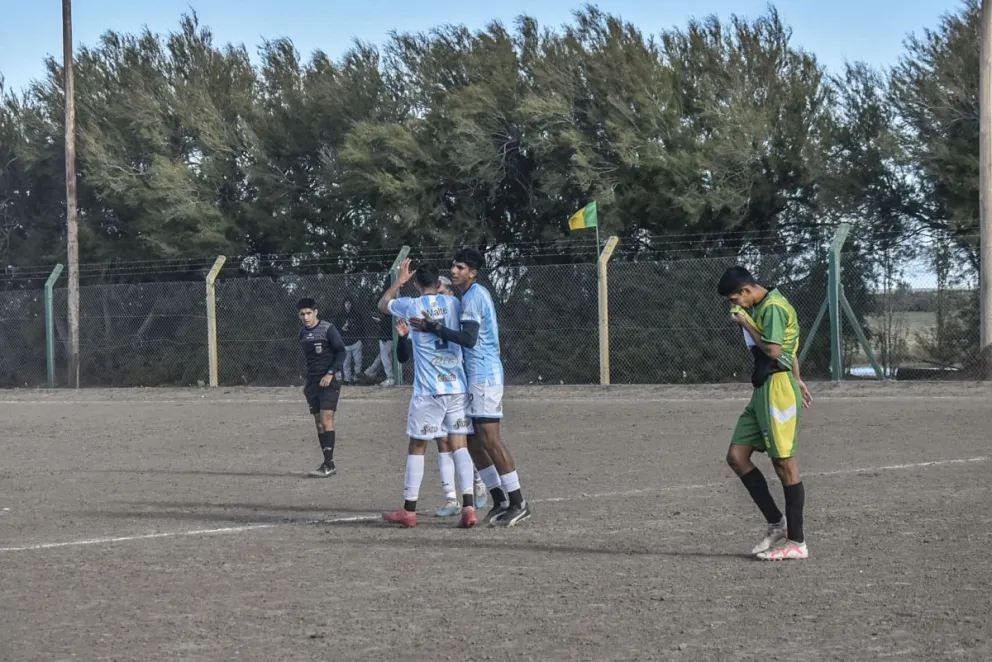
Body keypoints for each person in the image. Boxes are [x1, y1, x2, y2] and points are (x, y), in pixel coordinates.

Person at [411, 248, 531, 527]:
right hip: (473, 377)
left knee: (490, 439)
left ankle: (518, 502)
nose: (454, 271)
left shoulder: (475, 296)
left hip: (484, 377)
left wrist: (434, 327)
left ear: (473, 273)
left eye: (461, 267)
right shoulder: (468, 295)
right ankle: (499, 499)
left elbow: (469, 339)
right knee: (474, 441)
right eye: (453, 266)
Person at [717, 266, 813, 561]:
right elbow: (788, 347)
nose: (735, 305)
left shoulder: (771, 307)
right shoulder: (762, 305)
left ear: (746, 290)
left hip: (777, 390)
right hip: (764, 389)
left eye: (735, 299)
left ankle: (797, 541)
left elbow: (773, 350)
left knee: (784, 463)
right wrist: (799, 378)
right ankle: (776, 523)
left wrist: (746, 323)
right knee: (737, 456)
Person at [377, 259, 477, 529]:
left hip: (429, 390)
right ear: (439, 282)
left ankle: (409, 510)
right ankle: (468, 507)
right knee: (460, 445)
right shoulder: (454, 303)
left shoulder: (411, 305)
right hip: (456, 386)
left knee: (418, 446)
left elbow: (383, 305)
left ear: (417, 283)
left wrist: (399, 281)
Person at [396, 296, 488, 517]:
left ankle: (476, 485)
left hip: (440, 390)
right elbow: (402, 356)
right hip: (451, 389)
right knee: (449, 443)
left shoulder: (445, 313)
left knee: (438, 444)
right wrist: (403, 338)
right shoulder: (445, 312)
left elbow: (384, 303)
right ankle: (457, 500)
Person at [297, 297, 347, 478]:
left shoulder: (328, 329)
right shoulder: (302, 333)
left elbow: (341, 352)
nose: (305, 317)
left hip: (330, 380)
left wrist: (330, 373)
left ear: (316, 312)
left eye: (308, 313)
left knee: (326, 420)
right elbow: (310, 361)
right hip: (313, 382)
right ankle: (327, 462)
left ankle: (328, 464)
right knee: (318, 423)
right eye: (302, 314)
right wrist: (307, 383)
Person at [364, 277, 396, 386]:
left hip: (387, 336)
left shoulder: (390, 308)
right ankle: (371, 372)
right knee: (383, 356)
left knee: (385, 357)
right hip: (386, 335)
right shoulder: (387, 313)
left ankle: (390, 377)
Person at [338, 295, 364, 384]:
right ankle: (347, 379)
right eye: (346, 303)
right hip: (345, 342)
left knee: (358, 361)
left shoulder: (357, 315)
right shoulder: (340, 315)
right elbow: (336, 328)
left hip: (356, 341)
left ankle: (357, 378)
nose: (348, 305)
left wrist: (361, 340)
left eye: (349, 303)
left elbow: (361, 328)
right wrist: (342, 329)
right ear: (343, 304)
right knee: (346, 363)